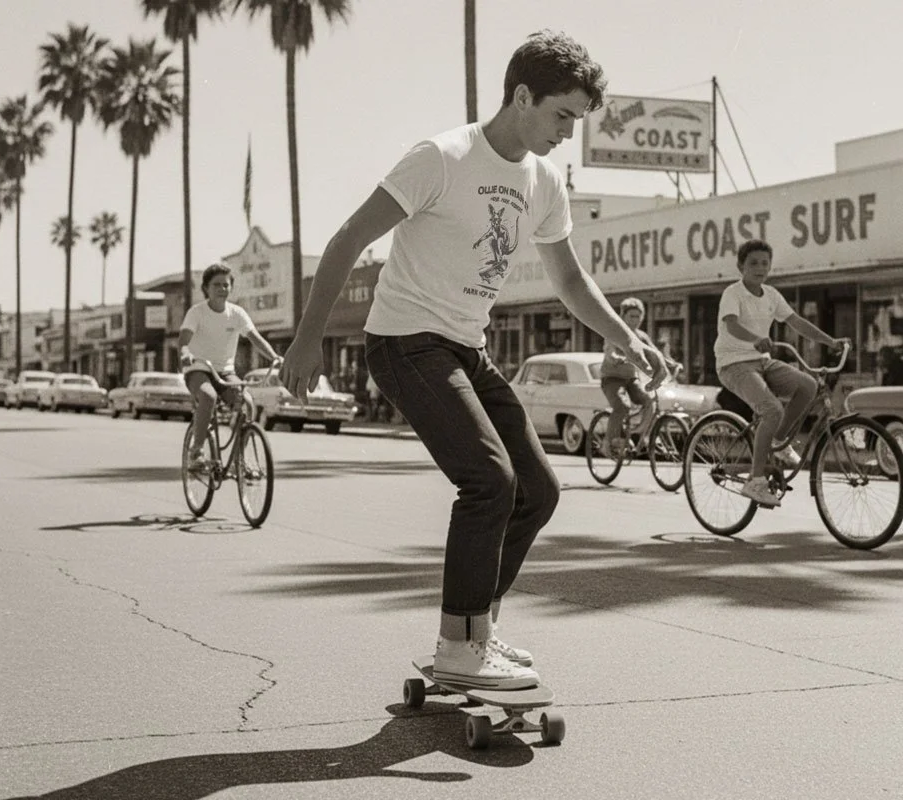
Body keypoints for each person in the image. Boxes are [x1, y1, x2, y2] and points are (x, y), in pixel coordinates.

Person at [280, 30, 667, 690]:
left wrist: (623, 337)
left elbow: (570, 282)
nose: (567, 135)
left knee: (538, 490)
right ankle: (460, 644)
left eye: (577, 121)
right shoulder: (443, 156)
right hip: (404, 341)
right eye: (561, 116)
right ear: (522, 96)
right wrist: (308, 339)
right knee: (490, 480)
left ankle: (472, 633)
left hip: (466, 346)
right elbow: (349, 238)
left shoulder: (543, 182)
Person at [714, 239, 847, 508]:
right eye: (753, 263)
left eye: (765, 263)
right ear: (741, 266)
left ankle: (778, 440)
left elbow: (796, 322)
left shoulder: (772, 295)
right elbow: (731, 325)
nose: (760, 268)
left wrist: (830, 341)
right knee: (772, 409)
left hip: (761, 361)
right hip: (733, 364)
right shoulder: (733, 293)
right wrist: (755, 339)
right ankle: (755, 480)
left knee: (807, 386)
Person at [179, 263, 282, 466]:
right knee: (208, 396)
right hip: (198, 368)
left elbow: (255, 338)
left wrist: (274, 357)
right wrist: (185, 353)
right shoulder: (196, 312)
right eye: (216, 285)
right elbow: (183, 340)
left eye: (226, 285)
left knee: (247, 402)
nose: (222, 289)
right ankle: (196, 452)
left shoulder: (237, 313)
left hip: (225, 373)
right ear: (206, 288)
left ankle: (239, 460)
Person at [600, 297, 679, 456]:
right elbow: (610, 351)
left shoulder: (641, 336)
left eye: (639, 316)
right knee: (622, 405)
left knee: (649, 400)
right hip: (612, 379)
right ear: (622, 316)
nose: (636, 320)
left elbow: (654, 353)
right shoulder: (615, 332)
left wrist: (671, 364)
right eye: (632, 316)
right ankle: (608, 443)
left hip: (631, 379)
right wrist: (615, 358)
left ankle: (642, 435)